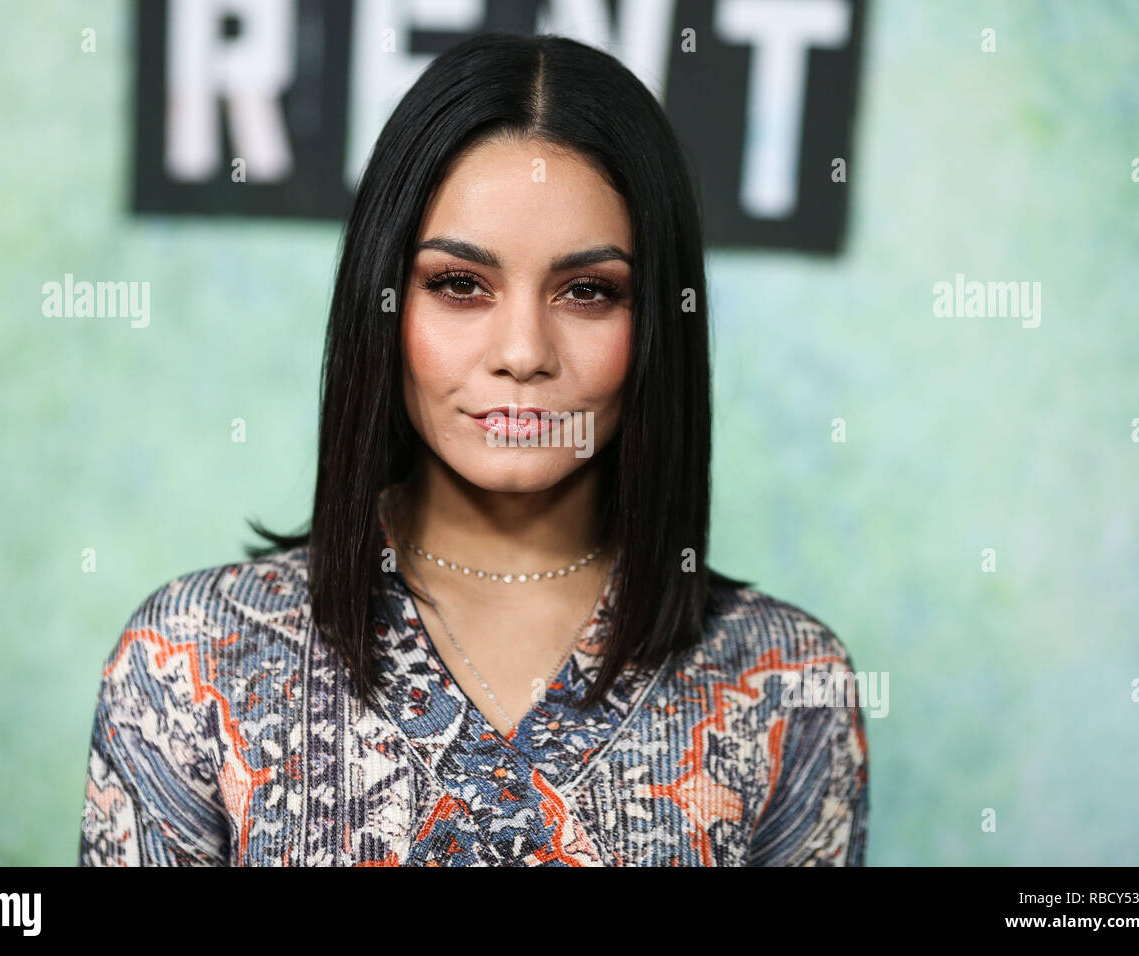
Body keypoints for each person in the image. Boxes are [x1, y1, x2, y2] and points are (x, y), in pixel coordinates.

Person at [78, 31, 868, 867]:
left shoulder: (788, 685)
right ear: (383, 304)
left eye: (589, 292)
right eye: (460, 285)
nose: (523, 350)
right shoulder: (190, 663)